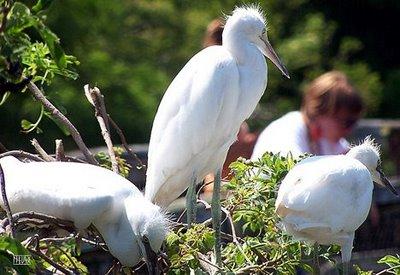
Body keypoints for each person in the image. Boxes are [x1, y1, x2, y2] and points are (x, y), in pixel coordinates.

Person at [251, 71, 364, 159]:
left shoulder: (325, 139)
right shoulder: (286, 131)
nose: (349, 130)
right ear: (321, 111)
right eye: (347, 122)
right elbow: (297, 176)